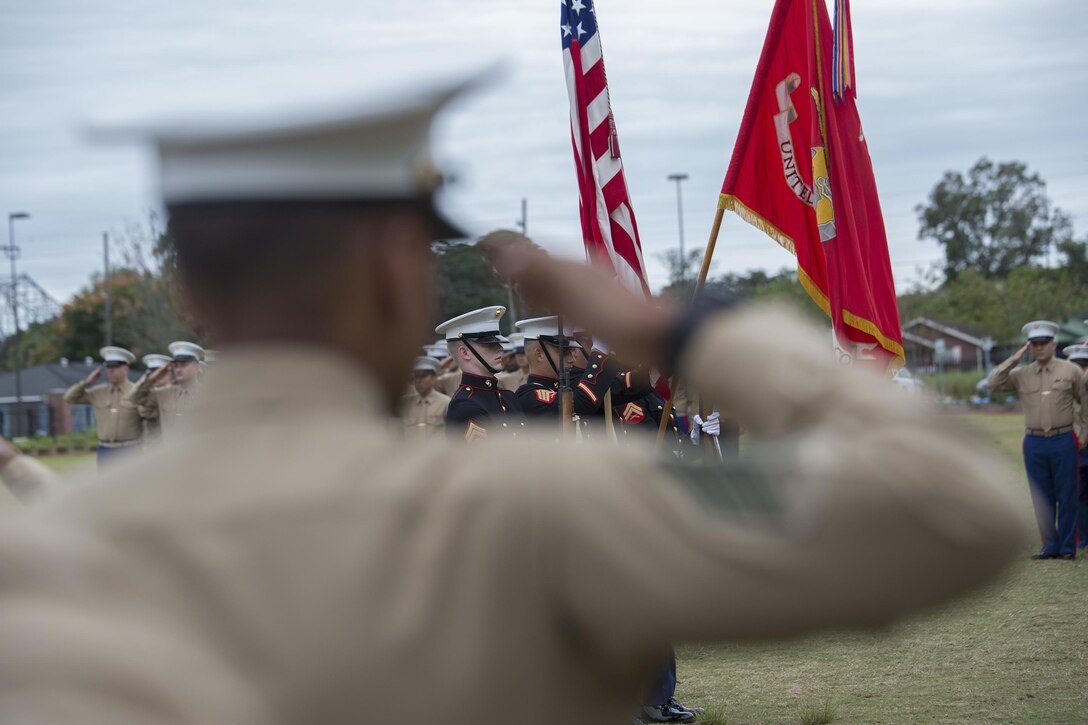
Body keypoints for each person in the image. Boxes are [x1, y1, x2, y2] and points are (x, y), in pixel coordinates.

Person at [0, 74, 1024, 725]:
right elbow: (951, 505)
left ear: (193, 294)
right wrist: (685, 328)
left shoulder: (40, 557)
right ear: (404, 276)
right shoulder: (538, 506)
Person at [988, 322, 1086, 559]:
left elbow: (1084, 402)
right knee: (1042, 496)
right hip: (1034, 441)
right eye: (1034, 344)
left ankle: (1066, 548)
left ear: (1053, 344)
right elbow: (993, 383)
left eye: (1044, 343)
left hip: (1063, 438)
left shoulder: (1070, 370)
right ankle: (1050, 546)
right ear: (1029, 346)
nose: (1039, 348)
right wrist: (1015, 357)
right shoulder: (1022, 374)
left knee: (1067, 494)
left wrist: (1084, 432)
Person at [437, 305, 525, 442]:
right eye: (489, 344)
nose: (500, 348)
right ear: (465, 353)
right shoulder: (465, 405)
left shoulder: (508, 397)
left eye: (498, 342)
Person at [513, 316, 614, 427]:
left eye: (572, 351)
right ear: (539, 355)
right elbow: (582, 403)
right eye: (564, 352)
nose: (572, 359)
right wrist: (600, 350)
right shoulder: (530, 397)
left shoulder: (563, 388)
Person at [63, 346, 143, 466]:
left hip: (129, 449)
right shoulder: (98, 392)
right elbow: (69, 398)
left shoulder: (137, 391)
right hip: (105, 451)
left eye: (115, 367)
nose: (110, 371)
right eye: (108, 367)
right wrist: (87, 382)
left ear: (126, 369)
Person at [129, 341, 205, 441]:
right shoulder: (164, 394)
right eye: (176, 365)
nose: (178, 369)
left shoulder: (208, 393)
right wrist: (152, 378)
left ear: (197, 367)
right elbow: (134, 398)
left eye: (183, 365)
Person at [1063, 343, 1088, 554]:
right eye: (1076, 365)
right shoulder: (1064, 389)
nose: (1080, 370)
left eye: (1084, 365)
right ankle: (1081, 537)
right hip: (1074, 444)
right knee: (1077, 494)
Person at [400, 356, 451, 441]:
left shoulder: (445, 403)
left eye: (423, 376)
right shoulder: (406, 403)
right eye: (416, 376)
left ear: (434, 379)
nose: (419, 381)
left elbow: (453, 432)